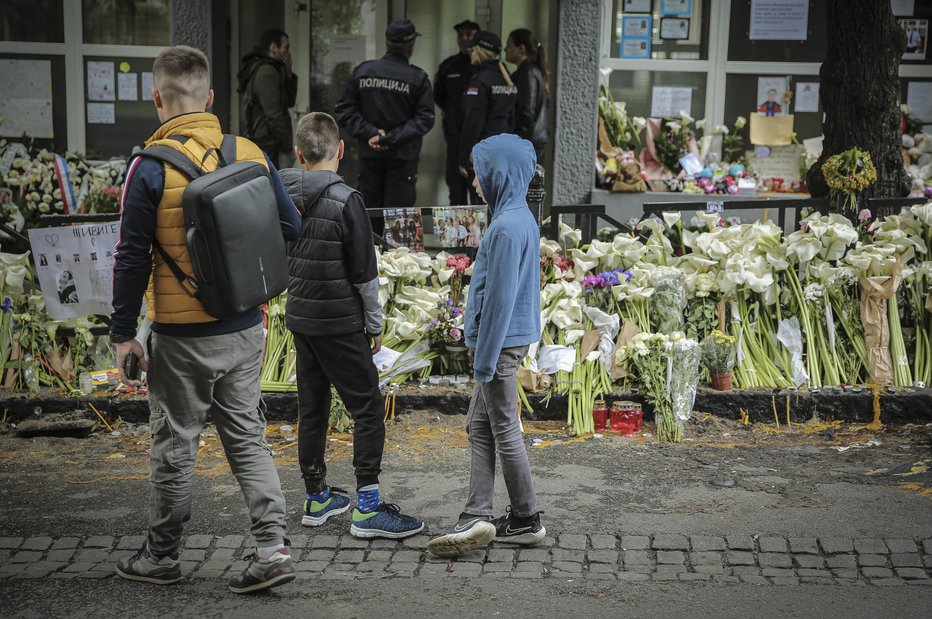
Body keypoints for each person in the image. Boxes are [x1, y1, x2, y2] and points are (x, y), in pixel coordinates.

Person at [111, 45, 302, 594]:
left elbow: (131, 256)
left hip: (179, 336)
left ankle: (162, 555)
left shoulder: (146, 169)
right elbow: (290, 226)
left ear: (157, 100)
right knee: (246, 436)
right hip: (245, 327)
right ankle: (272, 550)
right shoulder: (249, 151)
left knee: (175, 442)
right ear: (211, 98)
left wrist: (124, 334)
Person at [279, 112, 425, 540]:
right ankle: (367, 508)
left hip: (301, 320)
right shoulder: (348, 200)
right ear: (340, 150)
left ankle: (316, 497)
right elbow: (364, 273)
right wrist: (374, 324)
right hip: (340, 323)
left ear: (298, 153)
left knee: (313, 410)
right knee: (368, 409)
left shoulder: (282, 193)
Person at [427, 133, 544, 558]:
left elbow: (498, 301)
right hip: (505, 343)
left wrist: (484, 360)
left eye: (478, 173)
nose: (475, 181)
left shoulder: (508, 227)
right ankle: (477, 512)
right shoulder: (515, 217)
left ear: (499, 173)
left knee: (504, 429)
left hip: (500, 347)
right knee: (480, 425)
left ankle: (527, 517)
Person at [334, 19, 435, 236]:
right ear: (411, 47)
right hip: (402, 162)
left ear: (388, 42)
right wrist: (390, 138)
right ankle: (401, 267)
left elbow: (343, 109)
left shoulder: (363, 72)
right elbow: (425, 119)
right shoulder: (418, 78)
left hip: (370, 159)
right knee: (401, 223)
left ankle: (368, 264)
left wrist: (371, 133)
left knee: (368, 216)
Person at [458, 31, 517, 203]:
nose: (470, 54)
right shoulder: (506, 79)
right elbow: (512, 119)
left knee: (480, 208)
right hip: (504, 153)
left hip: (484, 154)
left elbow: (473, 122)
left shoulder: (480, 81)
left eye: (472, 50)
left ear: (480, 52)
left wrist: (464, 158)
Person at [237, 29, 298, 168]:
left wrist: (289, 73)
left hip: (268, 140)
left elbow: (289, 102)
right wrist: (288, 146)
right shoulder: (266, 72)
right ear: (273, 47)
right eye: (286, 47)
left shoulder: (274, 69)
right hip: (267, 141)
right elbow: (273, 114)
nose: (288, 52)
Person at [435, 19, 480, 205]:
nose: (464, 38)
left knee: (478, 195)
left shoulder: (483, 67)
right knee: (456, 194)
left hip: (478, 141)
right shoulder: (448, 66)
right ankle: (457, 235)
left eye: (469, 34)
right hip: (455, 138)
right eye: (461, 35)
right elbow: (439, 97)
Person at [505, 28, 549, 163]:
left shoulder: (527, 72)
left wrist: (514, 140)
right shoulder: (531, 71)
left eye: (509, 46)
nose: (505, 50)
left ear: (521, 49)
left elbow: (527, 111)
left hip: (528, 141)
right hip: (532, 140)